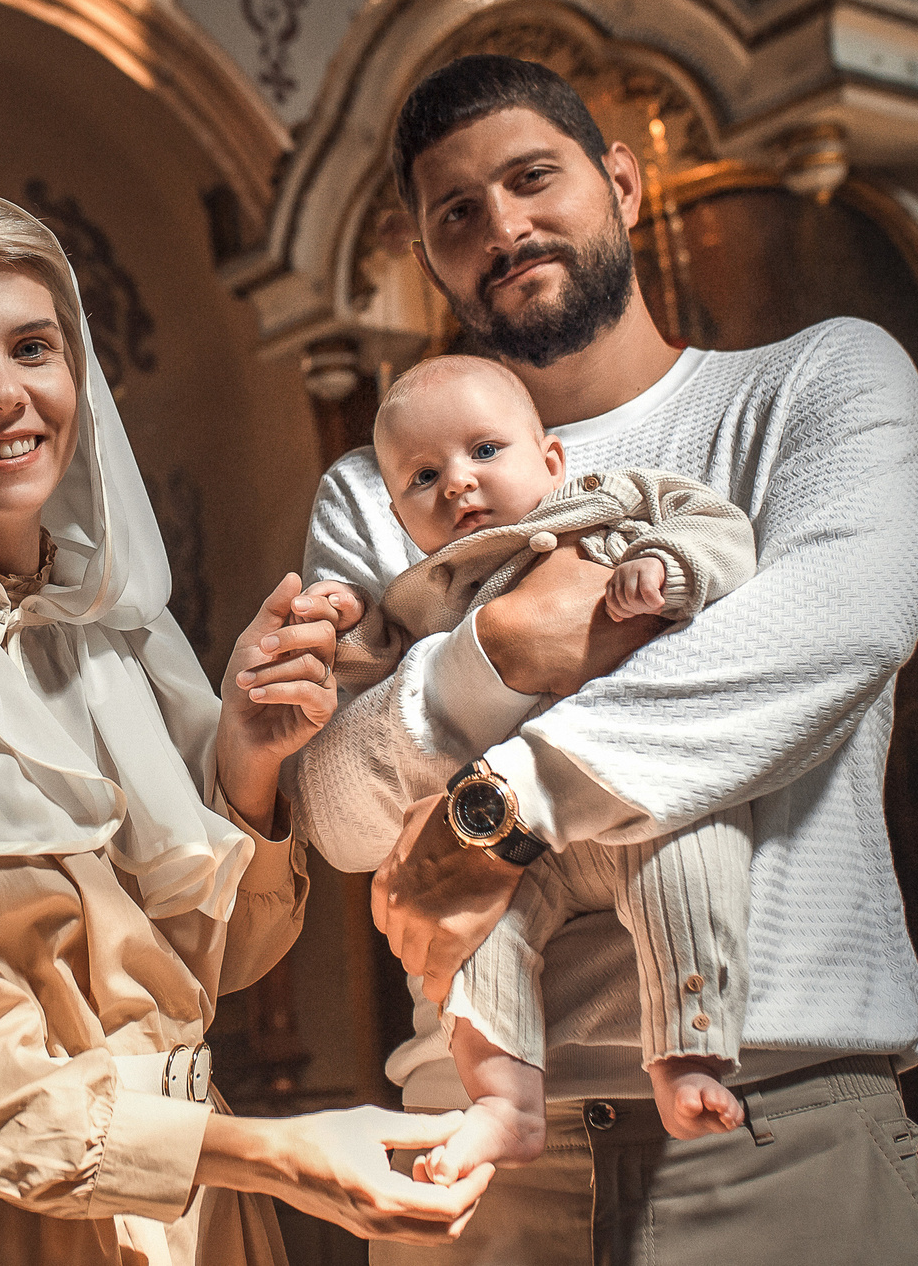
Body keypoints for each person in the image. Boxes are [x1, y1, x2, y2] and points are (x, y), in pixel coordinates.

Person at [0, 192, 493, 1263]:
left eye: (32, 348)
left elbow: (232, 958)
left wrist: (246, 762)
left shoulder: (113, 644)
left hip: (200, 1209)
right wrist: (278, 1157)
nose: (4, 396)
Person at [289, 57, 918, 1262]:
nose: (503, 227)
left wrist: (495, 806)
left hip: (771, 1124)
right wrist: (495, 649)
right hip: (470, 1150)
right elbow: (333, 810)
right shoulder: (380, 487)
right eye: (456, 213)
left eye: (532, 178)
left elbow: (838, 625)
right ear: (427, 255)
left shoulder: (815, 382)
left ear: (623, 182)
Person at [300, 353, 758, 1178]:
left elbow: (718, 526)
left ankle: (688, 1051)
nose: (458, 486)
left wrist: (670, 567)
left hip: (635, 795)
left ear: (551, 460)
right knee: (469, 934)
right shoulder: (423, 591)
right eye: (423, 477)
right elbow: (370, 684)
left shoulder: (610, 504)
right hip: (511, 846)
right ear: (400, 514)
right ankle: (506, 1102)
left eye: (484, 451)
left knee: (691, 861)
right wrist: (349, 627)